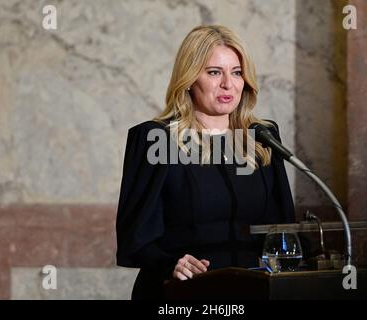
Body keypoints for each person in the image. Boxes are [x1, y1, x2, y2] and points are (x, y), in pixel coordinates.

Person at [116, 25, 295, 300]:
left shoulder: (261, 136)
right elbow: (134, 237)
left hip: (252, 291)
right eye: (214, 72)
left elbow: (283, 230)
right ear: (188, 78)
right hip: (181, 292)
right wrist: (170, 263)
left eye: (236, 73)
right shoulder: (157, 138)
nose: (228, 84)